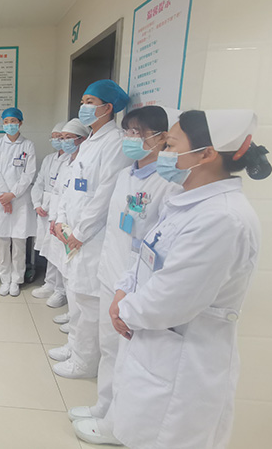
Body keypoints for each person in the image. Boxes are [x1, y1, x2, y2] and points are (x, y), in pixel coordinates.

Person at [76, 110, 270, 448]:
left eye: (170, 145)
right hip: (153, 337)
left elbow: (174, 298)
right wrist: (124, 289)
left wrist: (124, 310)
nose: (164, 153)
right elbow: (146, 253)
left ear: (206, 154)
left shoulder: (222, 219)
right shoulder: (185, 202)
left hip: (184, 355)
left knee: (168, 434)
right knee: (140, 424)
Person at [68, 106, 181, 441]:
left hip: (138, 284)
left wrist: (130, 286)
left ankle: (119, 426)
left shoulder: (168, 184)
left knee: (130, 357)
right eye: (129, 132)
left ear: (162, 138)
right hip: (111, 274)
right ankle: (105, 407)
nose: (131, 139)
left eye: (139, 133)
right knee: (109, 348)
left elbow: (158, 243)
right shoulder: (125, 175)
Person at [52, 80, 132, 379]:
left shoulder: (115, 143)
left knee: (87, 300)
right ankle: (74, 347)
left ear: (107, 107)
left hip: (91, 237)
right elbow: (70, 187)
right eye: (83, 101)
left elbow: (104, 195)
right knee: (76, 295)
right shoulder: (89, 143)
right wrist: (61, 221)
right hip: (72, 233)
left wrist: (80, 233)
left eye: (89, 102)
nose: (83, 107)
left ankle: (85, 363)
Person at [42, 119, 90, 361]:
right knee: (67, 271)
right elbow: (60, 194)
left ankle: (76, 323)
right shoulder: (68, 164)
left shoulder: (85, 163)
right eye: (62, 138)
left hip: (78, 229)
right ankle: (72, 317)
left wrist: (71, 227)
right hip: (64, 224)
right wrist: (56, 219)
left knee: (75, 277)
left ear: (82, 139)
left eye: (68, 138)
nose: (64, 142)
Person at [0, 107, 37, 297]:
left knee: (19, 241)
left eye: (13, 121)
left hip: (20, 199)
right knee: (2, 241)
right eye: (6, 121)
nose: (9, 125)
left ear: (20, 123)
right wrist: (5, 196)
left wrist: (13, 194)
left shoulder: (28, 145)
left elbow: (29, 173)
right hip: (1, 200)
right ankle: (5, 279)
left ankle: (16, 280)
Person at [31, 120, 67, 305]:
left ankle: (61, 289)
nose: (57, 141)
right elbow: (39, 183)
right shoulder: (49, 159)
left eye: (60, 137)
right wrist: (37, 203)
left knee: (59, 250)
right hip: (44, 209)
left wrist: (51, 208)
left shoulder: (73, 160)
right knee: (50, 249)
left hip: (60, 211)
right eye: (53, 137)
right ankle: (50, 283)